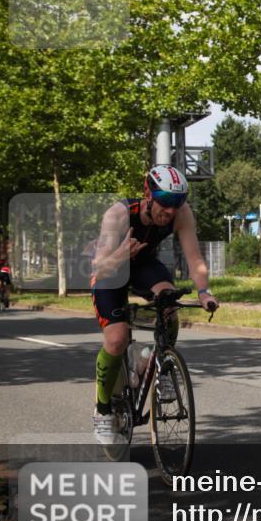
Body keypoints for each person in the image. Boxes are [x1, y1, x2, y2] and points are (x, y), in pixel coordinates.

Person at [90, 165, 219, 444]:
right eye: (166, 202)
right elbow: (99, 268)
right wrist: (121, 255)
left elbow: (194, 258)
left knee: (170, 303)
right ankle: (102, 412)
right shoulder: (119, 215)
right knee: (116, 339)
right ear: (148, 194)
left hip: (144, 267)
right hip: (111, 270)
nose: (171, 210)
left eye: (178, 202)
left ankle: (158, 364)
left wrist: (204, 291)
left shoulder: (181, 214)